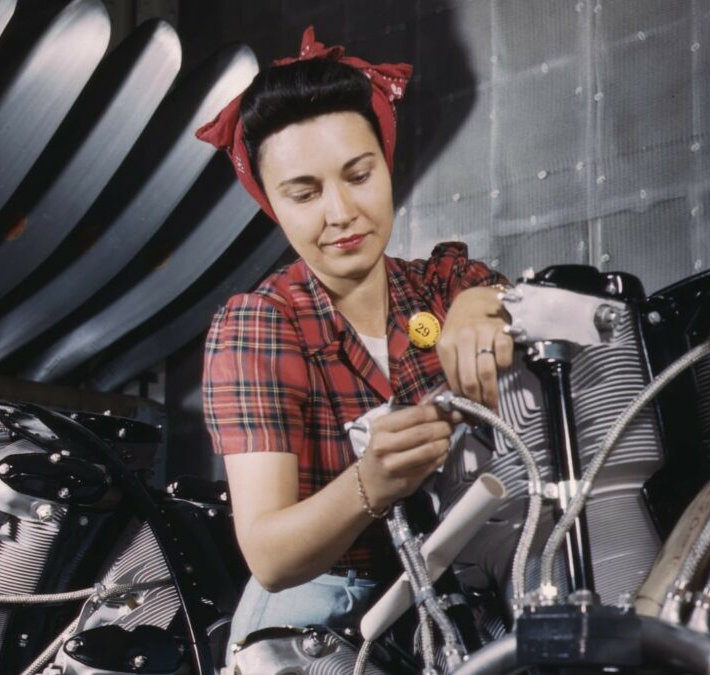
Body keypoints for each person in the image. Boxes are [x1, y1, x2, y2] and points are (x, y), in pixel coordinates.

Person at [196, 27, 513, 651]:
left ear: (386, 165)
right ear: (272, 205)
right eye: (304, 193)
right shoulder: (259, 325)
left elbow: (495, 295)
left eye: (358, 175)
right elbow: (270, 555)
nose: (340, 213)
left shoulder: (444, 286)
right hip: (319, 609)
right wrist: (372, 481)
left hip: (455, 595)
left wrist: (488, 305)